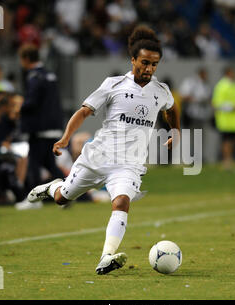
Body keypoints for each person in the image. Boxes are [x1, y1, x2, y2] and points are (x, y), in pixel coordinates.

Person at [26, 26, 180, 275]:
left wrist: (175, 131)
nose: (149, 69)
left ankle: (106, 256)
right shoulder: (113, 84)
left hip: (128, 165)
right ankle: (51, 187)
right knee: (63, 197)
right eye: (144, 63)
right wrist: (66, 137)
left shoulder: (160, 91)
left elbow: (171, 109)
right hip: (98, 157)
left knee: (121, 202)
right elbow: (84, 111)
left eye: (154, 64)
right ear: (133, 60)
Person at [18, 44, 65, 201]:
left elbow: (32, 102)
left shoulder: (33, 76)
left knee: (34, 163)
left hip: (40, 128)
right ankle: (68, 193)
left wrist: (19, 107)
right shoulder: (50, 75)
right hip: (54, 125)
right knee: (50, 165)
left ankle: (33, 200)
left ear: (25, 59)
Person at [212, 67, 235, 170]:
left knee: (233, 140)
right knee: (226, 141)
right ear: (227, 73)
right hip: (225, 119)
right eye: (232, 72)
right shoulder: (221, 86)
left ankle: (230, 159)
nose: (234, 74)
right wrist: (232, 107)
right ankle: (226, 161)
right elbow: (217, 103)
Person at [179, 67, 213, 162]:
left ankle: (199, 157)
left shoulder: (206, 85)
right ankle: (189, 157)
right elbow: (183, 96)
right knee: (191, 137)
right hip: (191, 114)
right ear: (200, 73)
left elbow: (209, 98)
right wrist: (197, 100)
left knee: (200, 137)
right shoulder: (191, 82)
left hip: (202, 115)